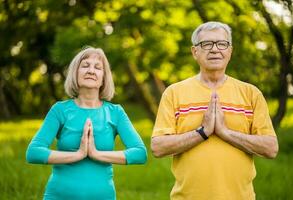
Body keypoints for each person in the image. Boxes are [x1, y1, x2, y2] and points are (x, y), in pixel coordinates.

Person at [151, 21, 279, 200]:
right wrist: (202, 132)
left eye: (221, 43)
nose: (214, 49)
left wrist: (225, 133)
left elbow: (271, 149)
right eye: (206, 44)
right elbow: (158, 147)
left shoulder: (251, 93)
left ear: (230, 51)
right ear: (195, 52)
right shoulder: (174, 93)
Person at [26, 46, 147, 200]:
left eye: (97, 67)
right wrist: (78, 155)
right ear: (75, 73)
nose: (91, 71)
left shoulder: (115, 112)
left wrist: (96, 154)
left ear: (104, 78)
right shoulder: (60, 110)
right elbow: (33, 152)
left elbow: (140, 153)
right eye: (85, 66)